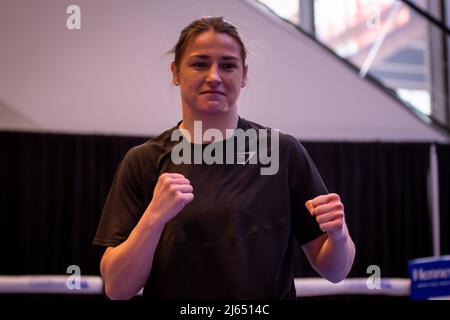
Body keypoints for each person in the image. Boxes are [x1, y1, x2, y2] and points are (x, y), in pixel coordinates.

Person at [93, 16, 355, 300]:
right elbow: (118, 288)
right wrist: (153, 218)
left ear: (243, 76)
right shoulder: (143, 161)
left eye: (228, 65)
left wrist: (339, 235)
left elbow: (335, 271)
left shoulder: (282, 152)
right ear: (175, 72)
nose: (214, 76)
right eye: (200, 64)